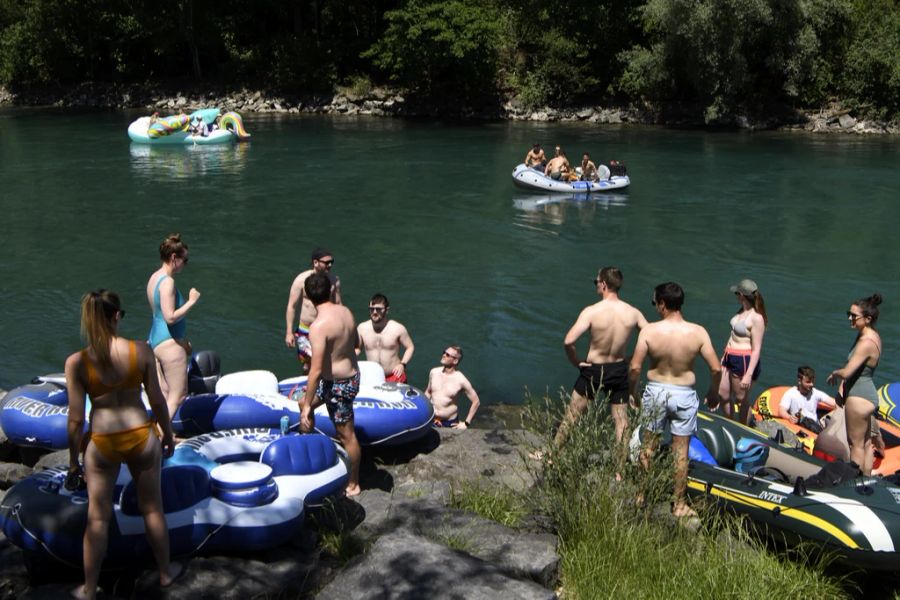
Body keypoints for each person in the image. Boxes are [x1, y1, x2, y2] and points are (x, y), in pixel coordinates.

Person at [65, 290, 181, 600]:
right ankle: (166, 574)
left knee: (98, 516)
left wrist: (74, 462)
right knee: (153, 509)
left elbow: (76, 420)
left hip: (103, 442)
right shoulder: (140, 351)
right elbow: (157, 400)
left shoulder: (77, 363)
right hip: (141, 435)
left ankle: (90, 588)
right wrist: (168, 434)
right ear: (117, 316)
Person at [629, 282, 722, 518]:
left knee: (648, 448)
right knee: (681, 453)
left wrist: (632, 392)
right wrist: (713, 392)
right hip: (684, 393)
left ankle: (642, 495)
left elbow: (635, 366)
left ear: (662, 304)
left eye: (656, 303)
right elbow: (715, 368)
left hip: (657, 391)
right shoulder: (698, 332)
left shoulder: (649, 331)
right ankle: (678, 504)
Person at [555, 267, 647, 457]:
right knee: (621, 422)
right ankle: (619, 471)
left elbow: (568, 341)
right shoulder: (633, 313)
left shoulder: (591, 311)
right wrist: (633, 357)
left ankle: (551, 456)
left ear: (604, 284)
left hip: (593, 370)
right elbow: (651, 337)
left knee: (572, 416)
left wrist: (577, 362)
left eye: (596, 282)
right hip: (619, 369)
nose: (595, 285)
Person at [298, 273, 362, 496]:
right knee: (301, 403)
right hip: (341, 378)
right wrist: (305, 403)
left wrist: (308, 406)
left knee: (347, 435)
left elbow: (314, 370)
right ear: (330, 291)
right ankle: (314, 454)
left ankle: (354, 483)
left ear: (307, 295)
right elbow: (356, 343)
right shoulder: (346, 312)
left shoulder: (318, 326)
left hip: (340, 385)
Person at [827, 294, 883, 475]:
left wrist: (835, 373)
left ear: (868, 319)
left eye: (854, 316)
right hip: (866, 394)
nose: (850, 318)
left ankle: (853, 484)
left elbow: (847, 372)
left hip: (858, 397)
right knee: (866, 444)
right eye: (848, 314)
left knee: (856, 446)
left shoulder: (866, 342)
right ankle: (864, 482)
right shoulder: (872, 336)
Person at [146, 233, 200, 420]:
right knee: (178, 396)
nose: (186, 263)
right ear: (174, 258)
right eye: (185, 260)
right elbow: (169, 317)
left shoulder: (154, 277)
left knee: (165, 394)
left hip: (155, 340)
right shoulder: (168, 282)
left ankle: (162, 432)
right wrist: (191, 301)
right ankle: (160, 435)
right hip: (169, 345)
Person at [284, 248, 342, 372]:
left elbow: (338, 305)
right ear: (315, 262)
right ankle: (308, 387)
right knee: (307, 364)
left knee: (326, 363)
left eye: (332, 262)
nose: (330, 265)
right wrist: (289, 332)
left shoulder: (334, 281)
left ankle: (323, 388)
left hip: (326, 328)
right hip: (306, 328)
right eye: (326, 262)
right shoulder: (301, 280)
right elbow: (291, 306)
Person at [719, 279, 767, 425]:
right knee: (723, 394)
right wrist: (724, 356)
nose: (736, 296)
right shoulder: (741, 311)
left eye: (736, 293)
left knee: (741, 399)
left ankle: (743, 428)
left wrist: (748, 374)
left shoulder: (757, 318)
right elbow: (733, 334)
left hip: (743, 361)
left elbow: (757, 349)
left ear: (741, 295)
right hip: (729, 357)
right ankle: (730, 423)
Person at [356, 293, 415, 382]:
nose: (374, 312)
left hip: (394, 376)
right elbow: (357, 348)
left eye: (378, 309)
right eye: (371, 309)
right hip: (372, 377)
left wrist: (402, 364)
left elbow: (410, 347)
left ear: (387, 310)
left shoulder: (398, 328)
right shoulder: (362, 328)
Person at [425, 346, 480, 429]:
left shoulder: (461, 380)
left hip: (449, 422)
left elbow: (476, 401)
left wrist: (466, 423)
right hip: (431, 417)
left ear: (455, 361)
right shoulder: (434, 372)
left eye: (447, 355)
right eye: (444, 352)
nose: (444, 355)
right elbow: (428, 392)